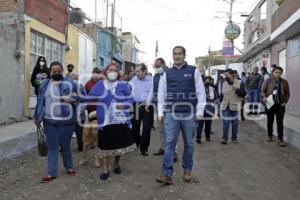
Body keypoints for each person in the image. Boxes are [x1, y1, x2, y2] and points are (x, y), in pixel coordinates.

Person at [156, 46, 206, 185]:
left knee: (189, 144)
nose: (177, 56)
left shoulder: (193, 71)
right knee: (169, 144)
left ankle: (187, 171)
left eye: (179, 54)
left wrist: (200, 111)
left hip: (189, 113)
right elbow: (161, 93)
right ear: (172, 56)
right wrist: (160, 112)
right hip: (171, 113)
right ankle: (166, 174)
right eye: (175, 54)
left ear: (184, 55)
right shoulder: (166, 73)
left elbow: (200, 91)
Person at [34, 61, 86, 183]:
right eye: (53, 71)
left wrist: (72, 99)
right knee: (52, 147)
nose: (56, 73)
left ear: (62, 71)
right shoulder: (44, 85)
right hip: (49, 121)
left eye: (58, 71)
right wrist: (37, 116)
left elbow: (83, 96)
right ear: (50, 72)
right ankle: (52, 173)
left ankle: (69, 167)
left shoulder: (70, 83)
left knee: (65, 145)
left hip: (66, 122)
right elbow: (40, 101)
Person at [88, 63, 136, 180]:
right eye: (111, 70)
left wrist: (124, 105)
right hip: (104, 121)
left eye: (115, 70)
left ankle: (116, 163)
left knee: (119, 145)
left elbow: (131, 99)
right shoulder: (100, 85)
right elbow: (89, 97)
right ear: (106, 71)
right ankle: (105, 170)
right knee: (105, 145)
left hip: (120, 120)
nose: (113, 72)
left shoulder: (123, 85)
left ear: (118, 72)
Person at [261, 66, 290, 146]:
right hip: (270, 103)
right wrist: (264, 97)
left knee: (280, 122)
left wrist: (285, 102)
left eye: (280, 73)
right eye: (276, 72)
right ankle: (270, 136)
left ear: (281, 73)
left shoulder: (284, 82)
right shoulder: (268, 80)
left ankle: (280, 139)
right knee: (270, 121)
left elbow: (287, 93)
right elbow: (263, 90)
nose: (278, 74)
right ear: (273, 73)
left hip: (280, 104)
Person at [129, 63, 154, 156]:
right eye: (136, 72)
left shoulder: (151, 80)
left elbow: (152, 93)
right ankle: (136, 144)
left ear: (144, 71)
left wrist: (148, 104)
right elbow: (129, 90)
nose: (137, 74)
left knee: (147, 128)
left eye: (139, 72)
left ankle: (144, 148)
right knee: (134, 127)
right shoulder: (133, 79)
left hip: (147, 106)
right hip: (135, 106)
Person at [221, 68, 247, 144]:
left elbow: (244, 94)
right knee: (226, 122)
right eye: (225, 75)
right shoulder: (224, 83)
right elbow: (222, 95)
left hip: (235, 107)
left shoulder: (240, 83)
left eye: (227, 75)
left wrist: (237, 90)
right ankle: (224, 138)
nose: (225, 76)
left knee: (234, 123)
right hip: (226, 106)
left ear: (232, 75)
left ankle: (234, 138)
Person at [196, 76, 217, 144]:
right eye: (207, 80)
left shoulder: (212, 89)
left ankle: (207, 137)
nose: (208, 82)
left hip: (209, 108)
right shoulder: (199, 89)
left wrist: (212, 100)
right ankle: (198, 137)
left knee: (208, 124)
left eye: (209, 81)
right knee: (200, 124)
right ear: (203, 81)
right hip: (201, 109)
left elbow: (215, 98)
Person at [69, 72, 86, 152]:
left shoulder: (80, 86)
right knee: (71, 132)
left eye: (74, 78)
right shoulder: (67, 87)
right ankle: (79, 147)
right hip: (72, 114)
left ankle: (80, 146)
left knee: (78, 132)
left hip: (77, 114)